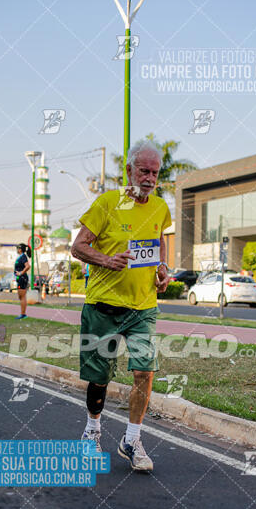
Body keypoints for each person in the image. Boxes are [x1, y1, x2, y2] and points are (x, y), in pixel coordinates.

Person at [71, 140, 171, 471]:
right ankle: (92, 429)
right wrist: (106, 260)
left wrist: (163, 269)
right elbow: (78, 246)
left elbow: (158, 243)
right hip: (103, 307)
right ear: (128, 171)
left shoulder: (159, 207)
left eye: (155, 172)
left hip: (143, 308)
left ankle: (131, 440)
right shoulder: (107, 203)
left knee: (144, 371)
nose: (150, 178)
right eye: (144, 171)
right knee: (99, 378)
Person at [14, 244, 31, 320]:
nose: (17, 250)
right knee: (20, 296)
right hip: (19, 278)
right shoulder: (20, 257)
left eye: (17, 248)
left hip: (22, 278)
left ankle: (23, 314)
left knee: (22, 296)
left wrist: (21, 273)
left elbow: (28, 266)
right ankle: (22, 313)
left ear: (20, 249)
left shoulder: (23, 256)